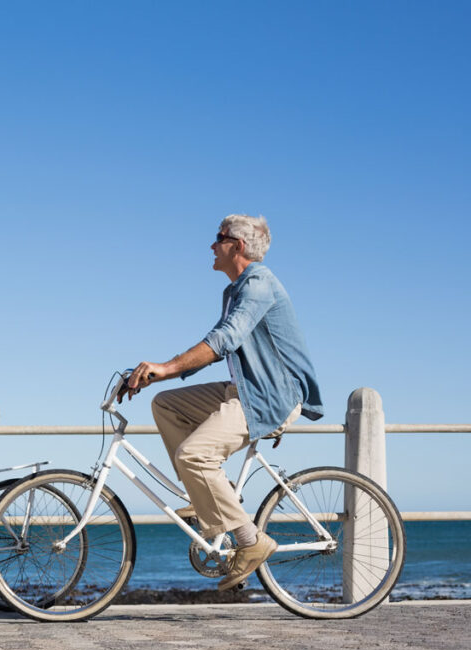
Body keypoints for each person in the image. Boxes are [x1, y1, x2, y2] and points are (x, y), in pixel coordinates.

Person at [119, 214, 323, 591]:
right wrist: (156, 376)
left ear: (238, 246)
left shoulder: (259, 284)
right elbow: (218, 342)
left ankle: (251, 541)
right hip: (246, 389)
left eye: (219, 238)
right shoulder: (234, 290)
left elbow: (225, 339)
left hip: (270, 396)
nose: (212, 245)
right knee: (166, 405)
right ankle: (208, 495)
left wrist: (166, 366)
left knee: (193, 456)